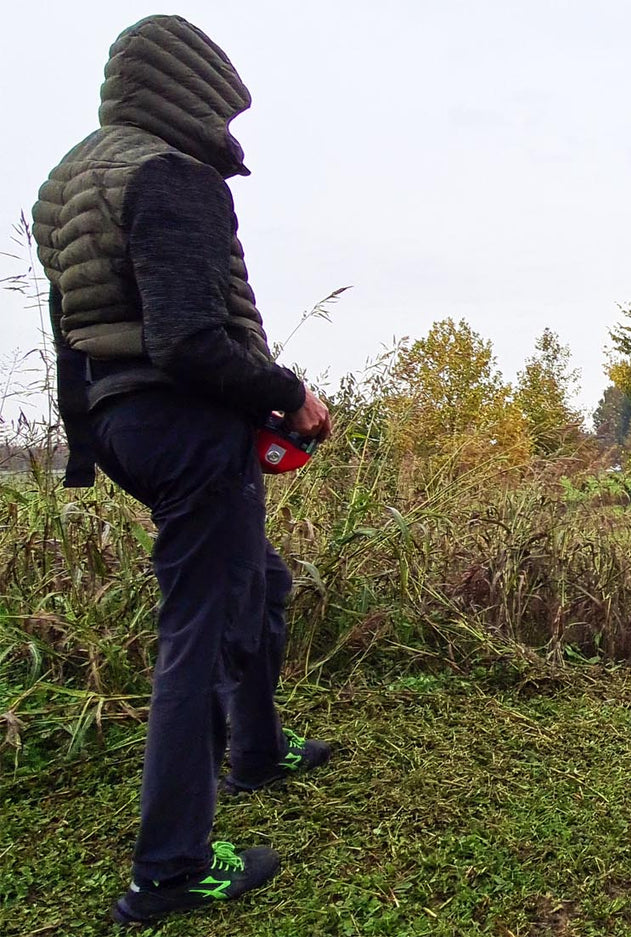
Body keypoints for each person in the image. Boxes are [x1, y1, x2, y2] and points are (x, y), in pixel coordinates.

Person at [32, 15, 334, 924]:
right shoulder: (170, 174)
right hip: (186, 420)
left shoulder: (70, 179)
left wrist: (90, 446)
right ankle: (171, 867)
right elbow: (192, 339)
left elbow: (72, 331)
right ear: (190, 89)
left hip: (124, 420)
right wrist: (288, 395)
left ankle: (259, 749)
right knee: (199, 631)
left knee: (259, 584)